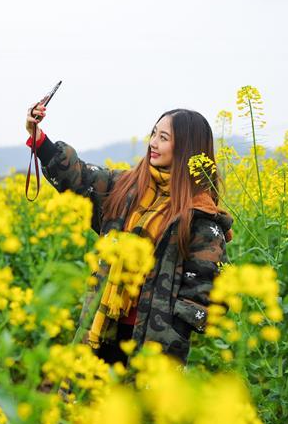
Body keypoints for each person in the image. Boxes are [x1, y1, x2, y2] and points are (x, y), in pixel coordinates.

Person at [24, 101, 234, 367]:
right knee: (89, 402)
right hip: (102, 330)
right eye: (154, 133)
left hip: (152, 348)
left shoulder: (199, 215)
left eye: (164, 137)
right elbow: (81, 178)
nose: (153, 143)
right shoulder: (126, 188)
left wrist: (170, 327)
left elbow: (208, 292)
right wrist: (39, 139)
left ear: (187, 149)